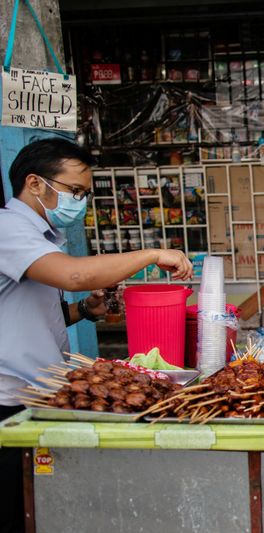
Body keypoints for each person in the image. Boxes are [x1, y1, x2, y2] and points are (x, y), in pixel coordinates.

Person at [0, 138, 193, 532]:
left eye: (85, 194)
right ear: (35, 183)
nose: (81, 202)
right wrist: (153, 255)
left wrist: (83, 312)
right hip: (8, 403)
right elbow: (73, 274)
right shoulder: (7, 229)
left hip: (41, 397)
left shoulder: (39, 236)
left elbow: (26, 314)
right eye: (74, 191)